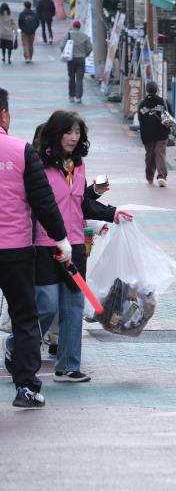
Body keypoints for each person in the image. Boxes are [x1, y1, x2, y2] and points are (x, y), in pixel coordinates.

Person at [5, 111, 132, 384]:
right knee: (47, 304)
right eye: (68, 132)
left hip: (75, 244)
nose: (74, 138)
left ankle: (68, 366)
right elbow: (34, 203)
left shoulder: (78, 165)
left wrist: (112, 213)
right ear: (56, 133)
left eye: (77, 132)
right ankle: (17, 343)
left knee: (74, 305)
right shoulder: (37, 163)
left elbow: (82, 203)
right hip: (45, 244)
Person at [0, 88, 70, 407]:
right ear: (4, 115)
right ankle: (26, 389)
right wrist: (61, 239)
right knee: (25, 318)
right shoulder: (21, 150)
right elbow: (44, 201)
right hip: (15, 250)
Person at [137, 81, 174, 187]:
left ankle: (149, 176)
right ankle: (161, 176)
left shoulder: (142, 104)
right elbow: (170, 116)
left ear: (146, 90)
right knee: (160, 154)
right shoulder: (163, 102)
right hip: (162, 133)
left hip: (147, 135)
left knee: (150, 155)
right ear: (157, 90)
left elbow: (140, 120)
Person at [62, 20, 92, 104]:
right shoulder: (85, 36)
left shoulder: (68, 34)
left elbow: (62, 46)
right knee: (79, 78)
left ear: (73, 26)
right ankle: (78, 97)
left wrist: (65, 53)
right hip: (81, 59)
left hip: (71, 59)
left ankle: (71, 96)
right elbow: (90, 47)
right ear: (79, 27)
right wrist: (85, 54)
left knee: (71, 77)